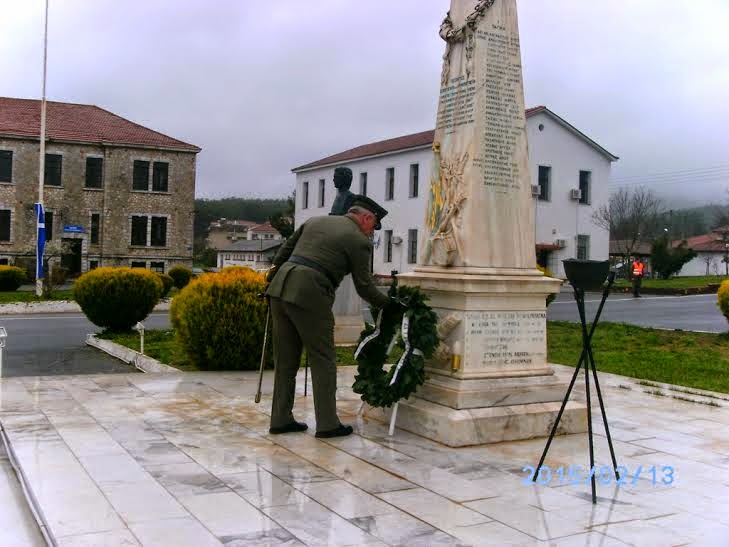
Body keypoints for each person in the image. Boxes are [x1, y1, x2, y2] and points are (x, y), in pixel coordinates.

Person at [265, 195, 391, 438]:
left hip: (280, 289)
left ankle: (280, 418)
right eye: (373, 225)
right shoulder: (358, 240)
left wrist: (271, 280)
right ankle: (327, 423)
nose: (371, 232)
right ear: (365, 217)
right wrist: (389, 304)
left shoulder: (315, 221)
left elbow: (283, 253)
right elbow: (364, 286)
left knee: (285, 360)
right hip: (310, 292)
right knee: (322, 357)